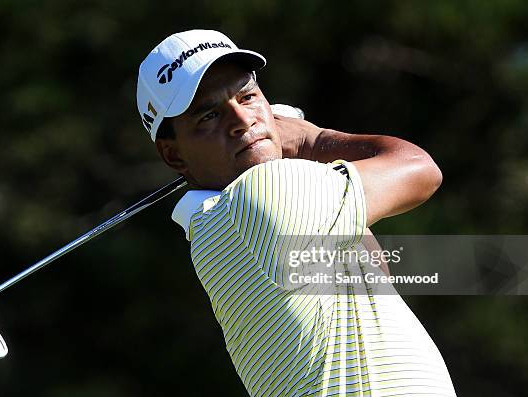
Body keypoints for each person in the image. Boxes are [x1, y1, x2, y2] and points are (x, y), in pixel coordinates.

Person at [136, 29, 456, 396]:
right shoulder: (264, 193)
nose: (242, 119)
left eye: (248, 96)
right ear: (174, 154)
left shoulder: (212, 229)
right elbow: (420, 169)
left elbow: (373, 271)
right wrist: (312, 140)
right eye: (208, 115)